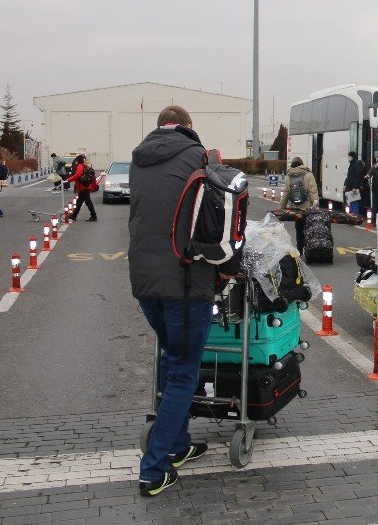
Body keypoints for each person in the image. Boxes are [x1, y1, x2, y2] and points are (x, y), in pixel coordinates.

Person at [129, 106, 215, 497]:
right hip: (184, 281)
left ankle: (178, 445)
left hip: (145, 283)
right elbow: (212, 217)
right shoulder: (196, 156)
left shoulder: (138, 158)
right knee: (183, 371)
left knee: (171, 358)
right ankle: (154, 467)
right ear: (188, 126)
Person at [279, 157, 319, 255]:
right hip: (307, 208)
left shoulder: (289, 176)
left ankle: (300, 249)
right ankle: (309, 248)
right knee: (309, 228)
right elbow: (312, 191)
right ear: (302, 164)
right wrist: (315, 204)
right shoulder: (308, 174)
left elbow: (285, 193)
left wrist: (281, 208)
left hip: (295, 209)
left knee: (299, 230)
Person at [66, 154, 97, 221]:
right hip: (84, 187)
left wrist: (68, 180)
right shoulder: (83, 165)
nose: (76, 162)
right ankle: (74, 216)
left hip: (83, 187)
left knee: (88, 202)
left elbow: (78, 175)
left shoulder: (80, 166)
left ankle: (94, 216)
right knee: (79, 202)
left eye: (76, 160)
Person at [343, 151, 366, 215]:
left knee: (354, 202)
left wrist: (355, 187)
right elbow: (349, 176)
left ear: (352, 157)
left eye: (349, 156)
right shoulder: (352, 164)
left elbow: (358, 177)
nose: (348, 158)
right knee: (350, 202)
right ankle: (351, 215)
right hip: (349, 186)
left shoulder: (356, 165)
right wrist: (345, 184)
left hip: (353, 187)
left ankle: (355, 216)